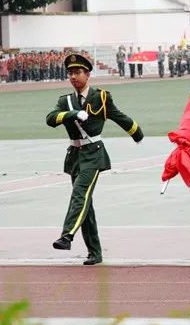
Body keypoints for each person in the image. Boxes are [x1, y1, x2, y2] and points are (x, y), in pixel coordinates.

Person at [45, 53, 144, 265]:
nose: (73, 77)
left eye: (77, 72)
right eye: (70, 73)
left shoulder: (100, 97)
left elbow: (118, 115)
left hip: (93, 153)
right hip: (74, 155)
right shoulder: (66, 101)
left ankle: (67, 235)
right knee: (86, 205)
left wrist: (136, 132)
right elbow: (50, 119)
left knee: (80, 193)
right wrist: (72, 115)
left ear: (87, 74)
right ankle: (95, 252)